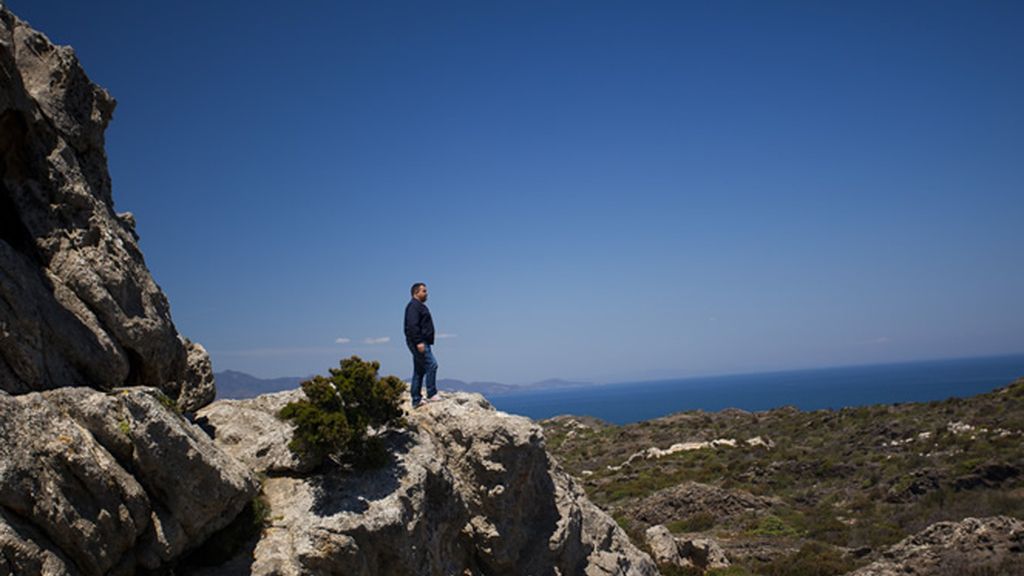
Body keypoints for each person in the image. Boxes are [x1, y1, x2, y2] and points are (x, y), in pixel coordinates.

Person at [404, 282, 438, 407]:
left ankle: (416, 399)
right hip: (419, 342)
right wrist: (418, 341)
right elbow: (412, 326)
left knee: (419, 370)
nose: (426, 293)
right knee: (432, 365)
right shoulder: (414, 306)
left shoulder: (418, 306)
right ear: (416, 292)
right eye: (424, 291)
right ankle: (432, 393)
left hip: (422, 341)